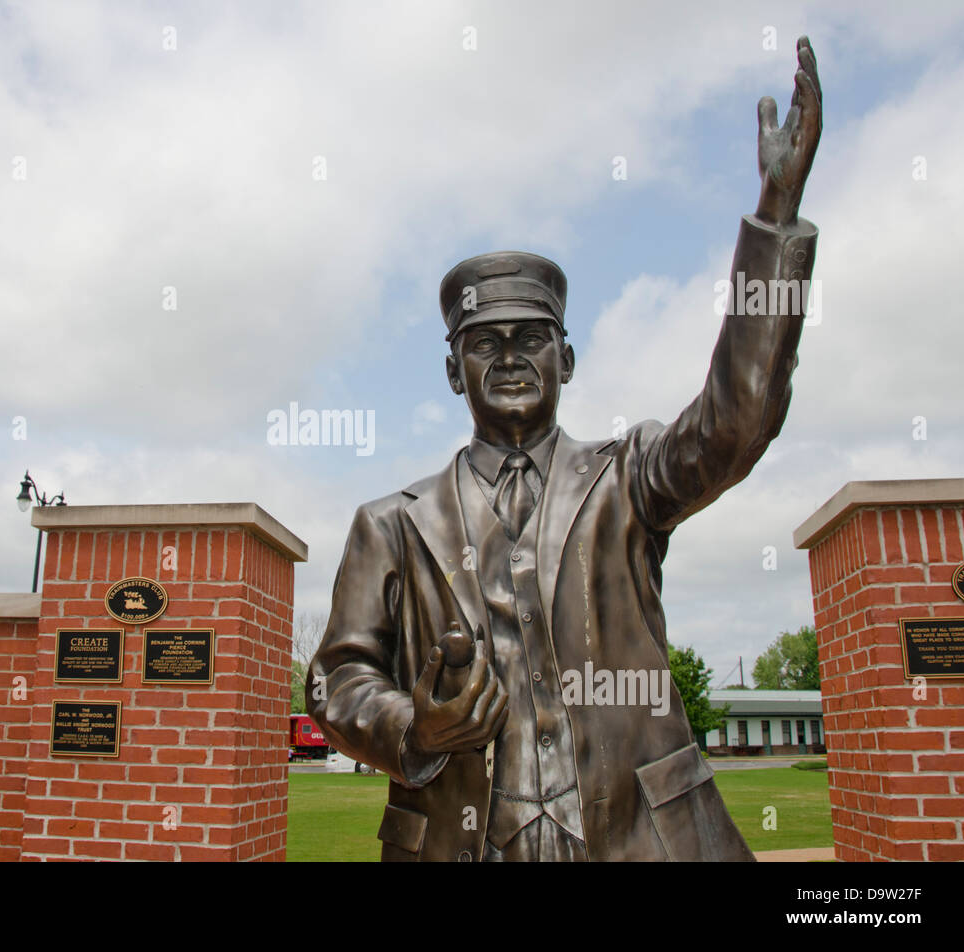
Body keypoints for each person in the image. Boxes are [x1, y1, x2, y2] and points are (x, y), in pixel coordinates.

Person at [306, 37, 822, 861]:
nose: (509, 357)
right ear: (451, 370)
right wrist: (415, 724)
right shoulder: (389, 525)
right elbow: (336, 678)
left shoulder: (631, 481)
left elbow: (740, 419)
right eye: (484, 343)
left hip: (636, 839)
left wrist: (777, 221)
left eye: (532, 338)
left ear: (567, 361)